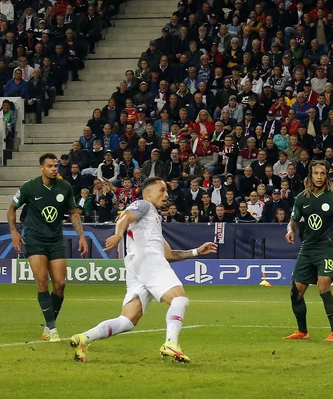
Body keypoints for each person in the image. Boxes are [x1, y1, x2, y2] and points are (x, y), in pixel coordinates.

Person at [69, 177, 218, 362]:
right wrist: (117, 234)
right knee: (179, 298)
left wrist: (196, 251)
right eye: (162, 190)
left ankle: (83, 339)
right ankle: (171, 343)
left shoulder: (152, 219)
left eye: (166, 191)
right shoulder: (144, 205)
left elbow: (169, 254)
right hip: (147, 259)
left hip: (137, 265)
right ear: (148, 193)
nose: (166, 194)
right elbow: (125, 216)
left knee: (127, 320)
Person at [7, 153, 89, 342]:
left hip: (55, 239)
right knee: (42, 280)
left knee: (60, 284)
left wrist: (82, 236)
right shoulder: (29, 187)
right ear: (41, 168)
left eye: (56, 166)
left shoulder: (65, 187)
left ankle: (47, 326)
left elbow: (73, 213)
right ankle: (52, 328)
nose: (54, 169)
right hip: (34, 239)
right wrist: (14, 231)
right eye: (50, 166)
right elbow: (11, 208)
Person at [284, 160, 333, 342]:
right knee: (296, 292)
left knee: (324, 286)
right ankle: (302, 332)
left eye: (322, 173)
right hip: (307, 248)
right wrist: (290, 230)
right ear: (310, 176)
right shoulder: (302, 198)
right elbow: (293, 220)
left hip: (326, 248)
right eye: (315, 173)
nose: (319, 177)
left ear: (327, 175)